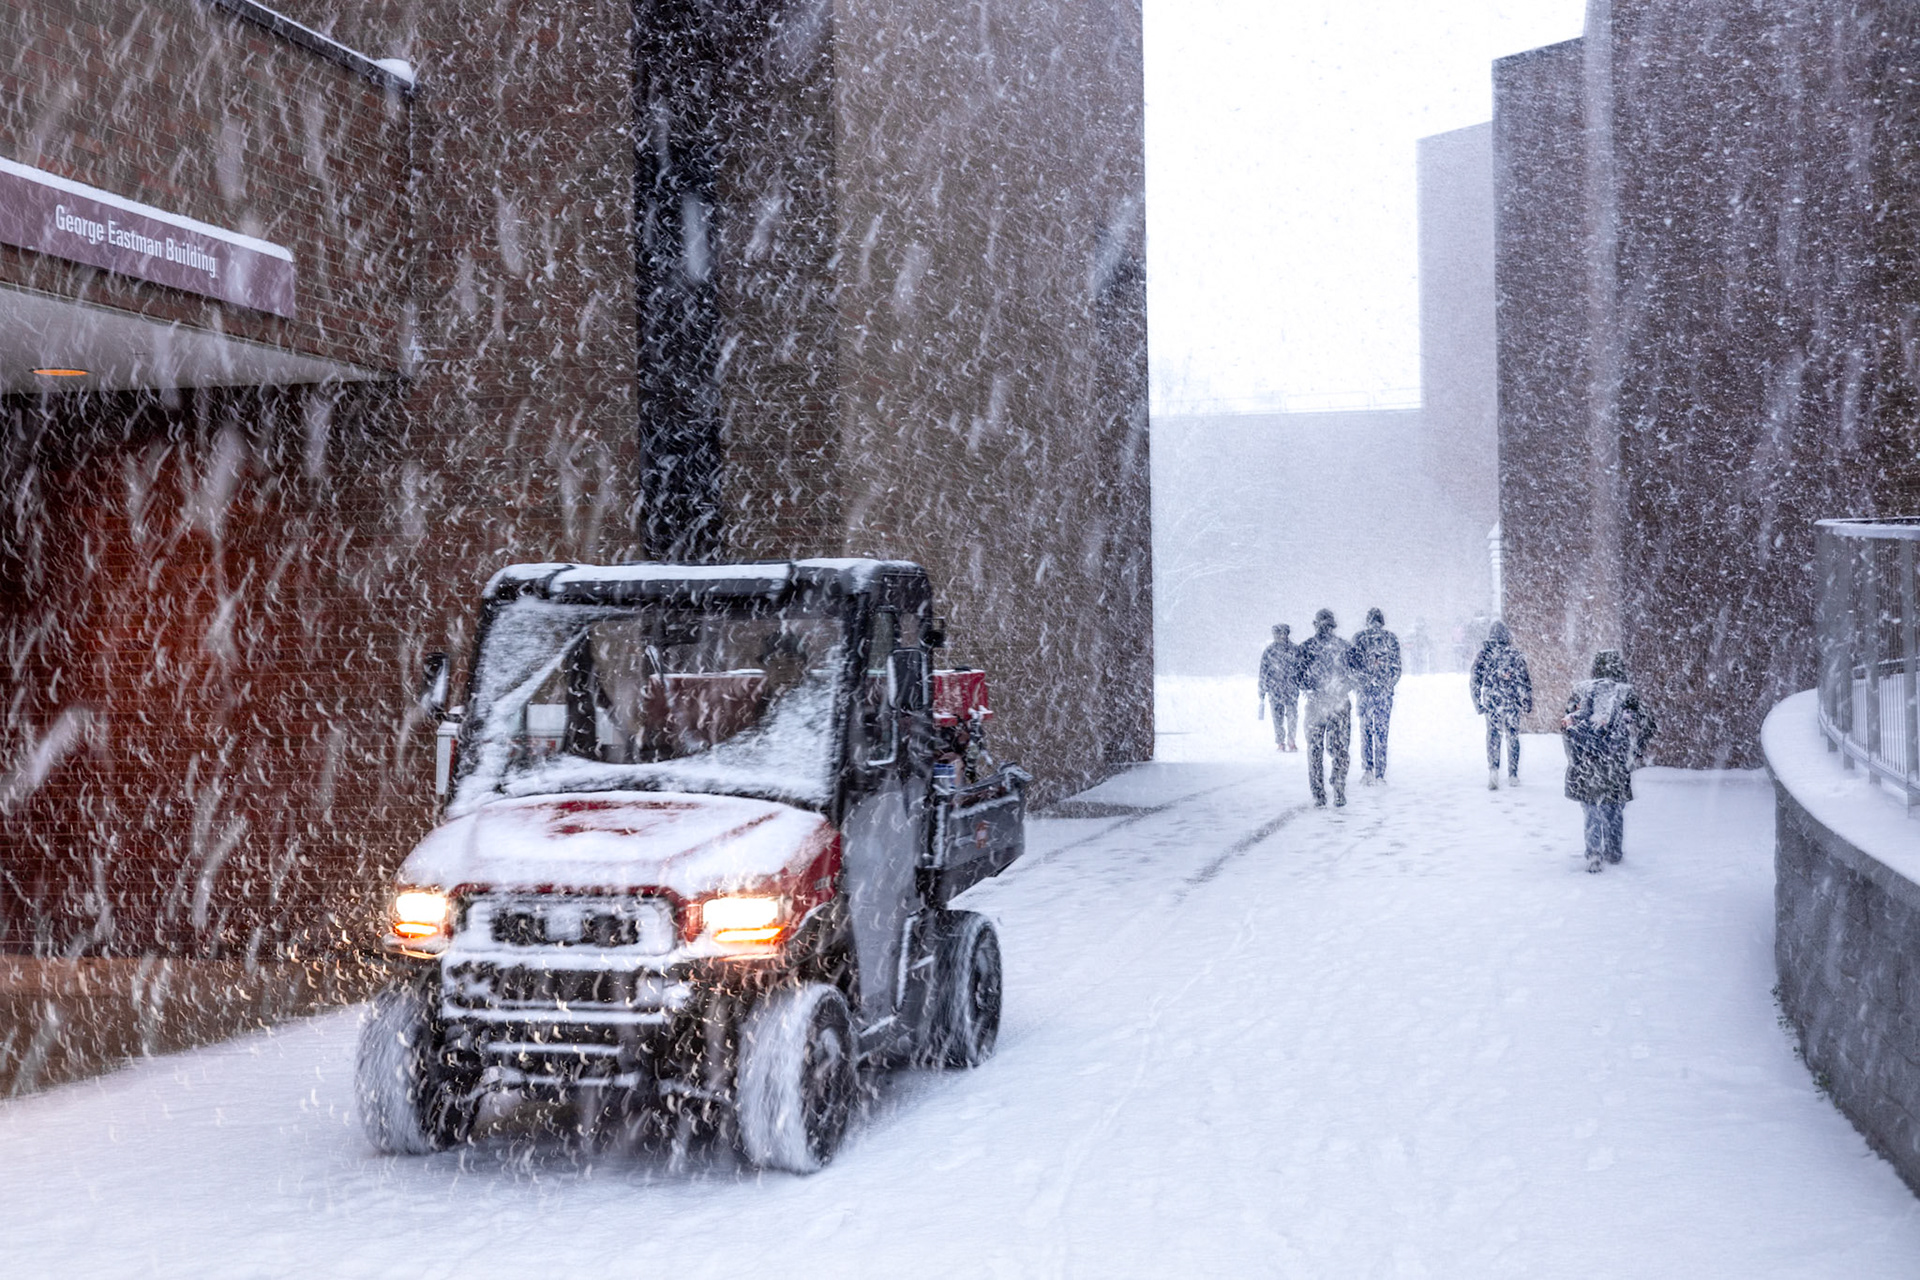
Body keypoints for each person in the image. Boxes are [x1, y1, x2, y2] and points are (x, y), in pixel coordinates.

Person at [1561, 649, 1656, 873]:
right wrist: (1636, 751)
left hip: (1587, 760)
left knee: (1591, 808)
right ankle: (1614, 851)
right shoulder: (1626, 693)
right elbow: (1649, 723)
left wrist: (1573, 757)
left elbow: (1566, 725)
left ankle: (1593, 852)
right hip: (1615, 761)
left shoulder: (1581, 690)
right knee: (1614, 807)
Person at [1296, 608, 1353, 808]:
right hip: (1338, 704)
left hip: (1316, 704)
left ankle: (1319, 793)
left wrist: (1312, 687)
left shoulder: (1305, 648)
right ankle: (1338, 787)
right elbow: (1354, 676)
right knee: (1339, 749)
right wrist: (1340, 687)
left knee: (1315, 750)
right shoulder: (1344, 647)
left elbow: (1297, 678)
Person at [1470, 620, 1534, 789]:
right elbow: (1524, 681)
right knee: (1512, 735)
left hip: (1492, 700)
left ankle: (1493, 770)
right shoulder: (1515, 655)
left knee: (1493, 735)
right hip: (1511, 700)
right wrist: (1526, 701)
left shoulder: (1484, 654)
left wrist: (1478, 702)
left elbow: (1475, 680)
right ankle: (1513, 774)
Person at [1349, 607, 1402, 783]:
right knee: (1381, 732)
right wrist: (1387, 684)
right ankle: (1380, 772)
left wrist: (1362, 682)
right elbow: (1396, 668)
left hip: (1365, 693)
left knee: (1366, 731)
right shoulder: (1390, 639)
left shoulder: (1359, 638)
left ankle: (1368, 769)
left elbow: (1351, 667)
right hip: (1382, 693)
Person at [1257, 624, 1302, 751]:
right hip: (1275, 688)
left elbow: (1300, 669)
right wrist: (1262, 689)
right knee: (1277, 717)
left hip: (1290, 688)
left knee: (1292, 715)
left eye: (1282, 633)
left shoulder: (1294, 650)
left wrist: (1301, 683)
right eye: (1277, 633)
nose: (1280, 636)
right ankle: (1281, 742)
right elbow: (1263, 671)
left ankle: (1291, 740)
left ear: (1287, 634)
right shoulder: (1269, 651)